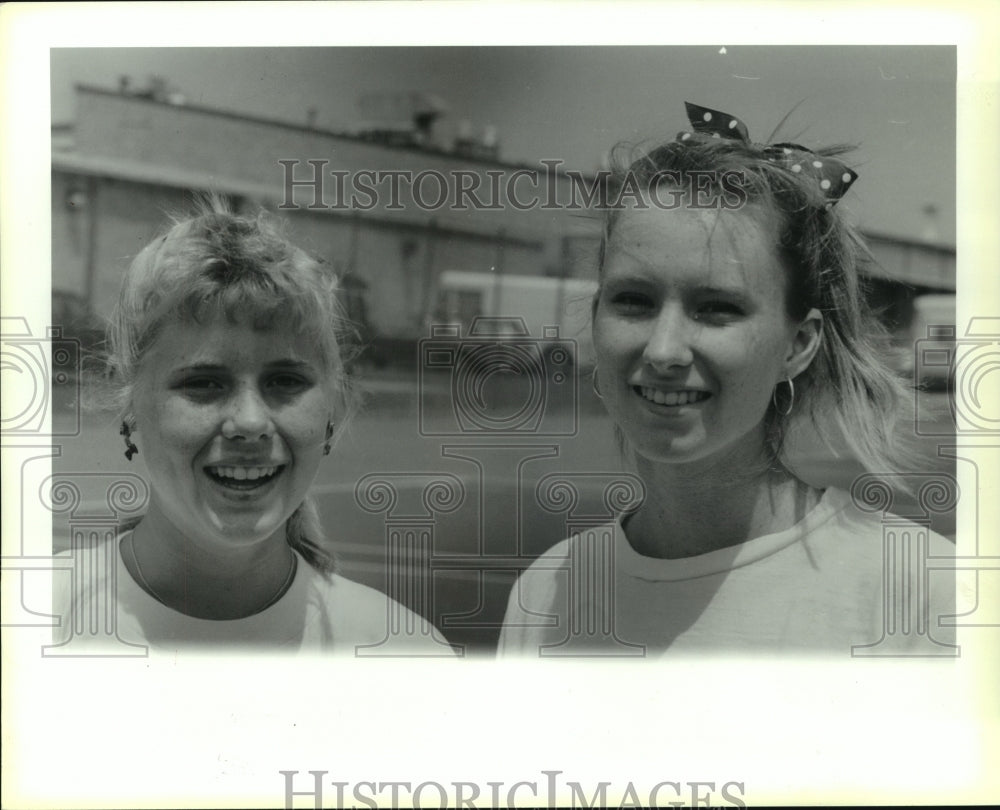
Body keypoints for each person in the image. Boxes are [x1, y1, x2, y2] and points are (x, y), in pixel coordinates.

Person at [498, 103, 955, 657]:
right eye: (633, 301)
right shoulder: (547, 591)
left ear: (799, 345)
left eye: (716, 308)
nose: (663, 350)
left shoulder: (924, 594)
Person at [52, 199, 454, 654]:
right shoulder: (32, 624)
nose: (250, 422)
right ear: (128, 404)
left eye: (286, 381)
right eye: (204, 383)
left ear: (331, 410)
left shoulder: (404, 654)